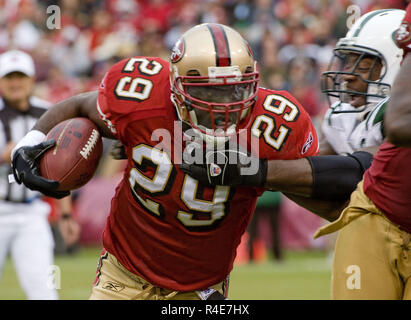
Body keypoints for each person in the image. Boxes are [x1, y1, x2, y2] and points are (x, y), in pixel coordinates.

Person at [10, 23, 320, 300]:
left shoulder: (272, 123)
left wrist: (257, 171)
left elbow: (313, 186)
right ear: (174, 84)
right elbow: (80, 104)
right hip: (123, 270)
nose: (223, 104)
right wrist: (30, 143)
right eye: (208, 91)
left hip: (202, 285)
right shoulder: (142, 96)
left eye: (233, 89)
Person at [0, 50, 78, 300]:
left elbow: (63, 170)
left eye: (20, 76)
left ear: (32, 79)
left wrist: (66, 214)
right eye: (9, 77)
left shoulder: (49, 115)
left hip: (32, 213)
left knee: (43, 291)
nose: (15, 83)